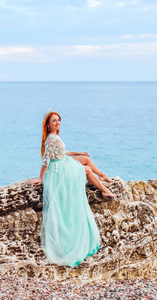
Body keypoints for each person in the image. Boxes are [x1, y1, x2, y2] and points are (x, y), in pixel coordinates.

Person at [30, 109, 116, 266]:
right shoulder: (51, 139)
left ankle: (103, 175)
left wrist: (77, 152)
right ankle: (104, 189)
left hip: (62, 163)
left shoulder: (55, 137)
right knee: (88, 169)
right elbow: (46, 160)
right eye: (54, 121)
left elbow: (62, 151)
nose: (57, 123)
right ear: (48, 125)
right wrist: (41, 178)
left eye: (58, 120)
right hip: (59, 171)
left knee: (85, 158)